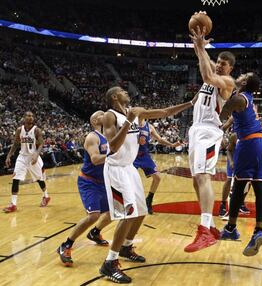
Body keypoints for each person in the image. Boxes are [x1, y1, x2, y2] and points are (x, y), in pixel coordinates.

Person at [99, 86, 196, 283]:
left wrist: (191, 103)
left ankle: (126, 246)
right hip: (116, 169)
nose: (127, 92)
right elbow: (113, 147)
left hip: (130, 168)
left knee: (141, 210)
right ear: (115, 97)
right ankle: (109, 263)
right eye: (123, 91)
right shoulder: (109, 117)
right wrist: (128, 121)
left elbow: (166, 112)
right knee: (128, 214)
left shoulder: (136, 111)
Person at [185, 25, 236, 252]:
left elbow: (206, 73)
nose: (219, 64)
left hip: (209, 131)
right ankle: (213, 227)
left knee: (204, 176)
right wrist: (199, 46)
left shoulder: (227, 83)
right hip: (196, 129)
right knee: (196, 179)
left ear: (230, 68)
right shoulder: (210, 78)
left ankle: (205, 229)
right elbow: (204, 66)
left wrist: (200, 49)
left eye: (223, 63)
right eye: (218, 61)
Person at [219, 72, 262, 256]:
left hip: (249, 143)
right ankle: (258, 231)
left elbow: (224, 111)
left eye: (244, 75)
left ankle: (231, 228)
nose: (240, 75)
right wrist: (225, 128)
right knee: (259, 188)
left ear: (244, 82)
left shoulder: (239, 98)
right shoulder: (246, 99)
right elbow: (233, 116)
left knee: (238, 186)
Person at [57, 111, 112, 266]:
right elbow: (95, 159)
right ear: (95, 120)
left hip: (103, 181)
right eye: (101, 114)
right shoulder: (92, 137)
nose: (105, 114)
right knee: (93, 216)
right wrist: (113, 154)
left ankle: (95, 233)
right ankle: (66, 244)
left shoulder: (108, 136)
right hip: (89, 182)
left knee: (113, 212)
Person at [3, 111, 49, 213]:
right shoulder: (20, 130)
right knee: (16, 178)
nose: (31, 117)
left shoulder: (36, 130)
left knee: (39, 179)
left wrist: (37, 155)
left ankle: (46, 196)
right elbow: (15, 144)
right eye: (28, 116)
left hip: (33, 157)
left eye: (32, 116)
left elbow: (41, 144)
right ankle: (13, 204)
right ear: (24, 118)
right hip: (22, 157)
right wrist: (8, 156)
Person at [133, 118, 181, 214]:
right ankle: (129, 202)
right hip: (132, 155)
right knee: (131, 180)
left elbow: (159, 139)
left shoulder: (149, 127)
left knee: (157, 177)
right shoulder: (132, 125)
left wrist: (172, 145)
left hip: (144, 155)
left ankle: (149, 200)